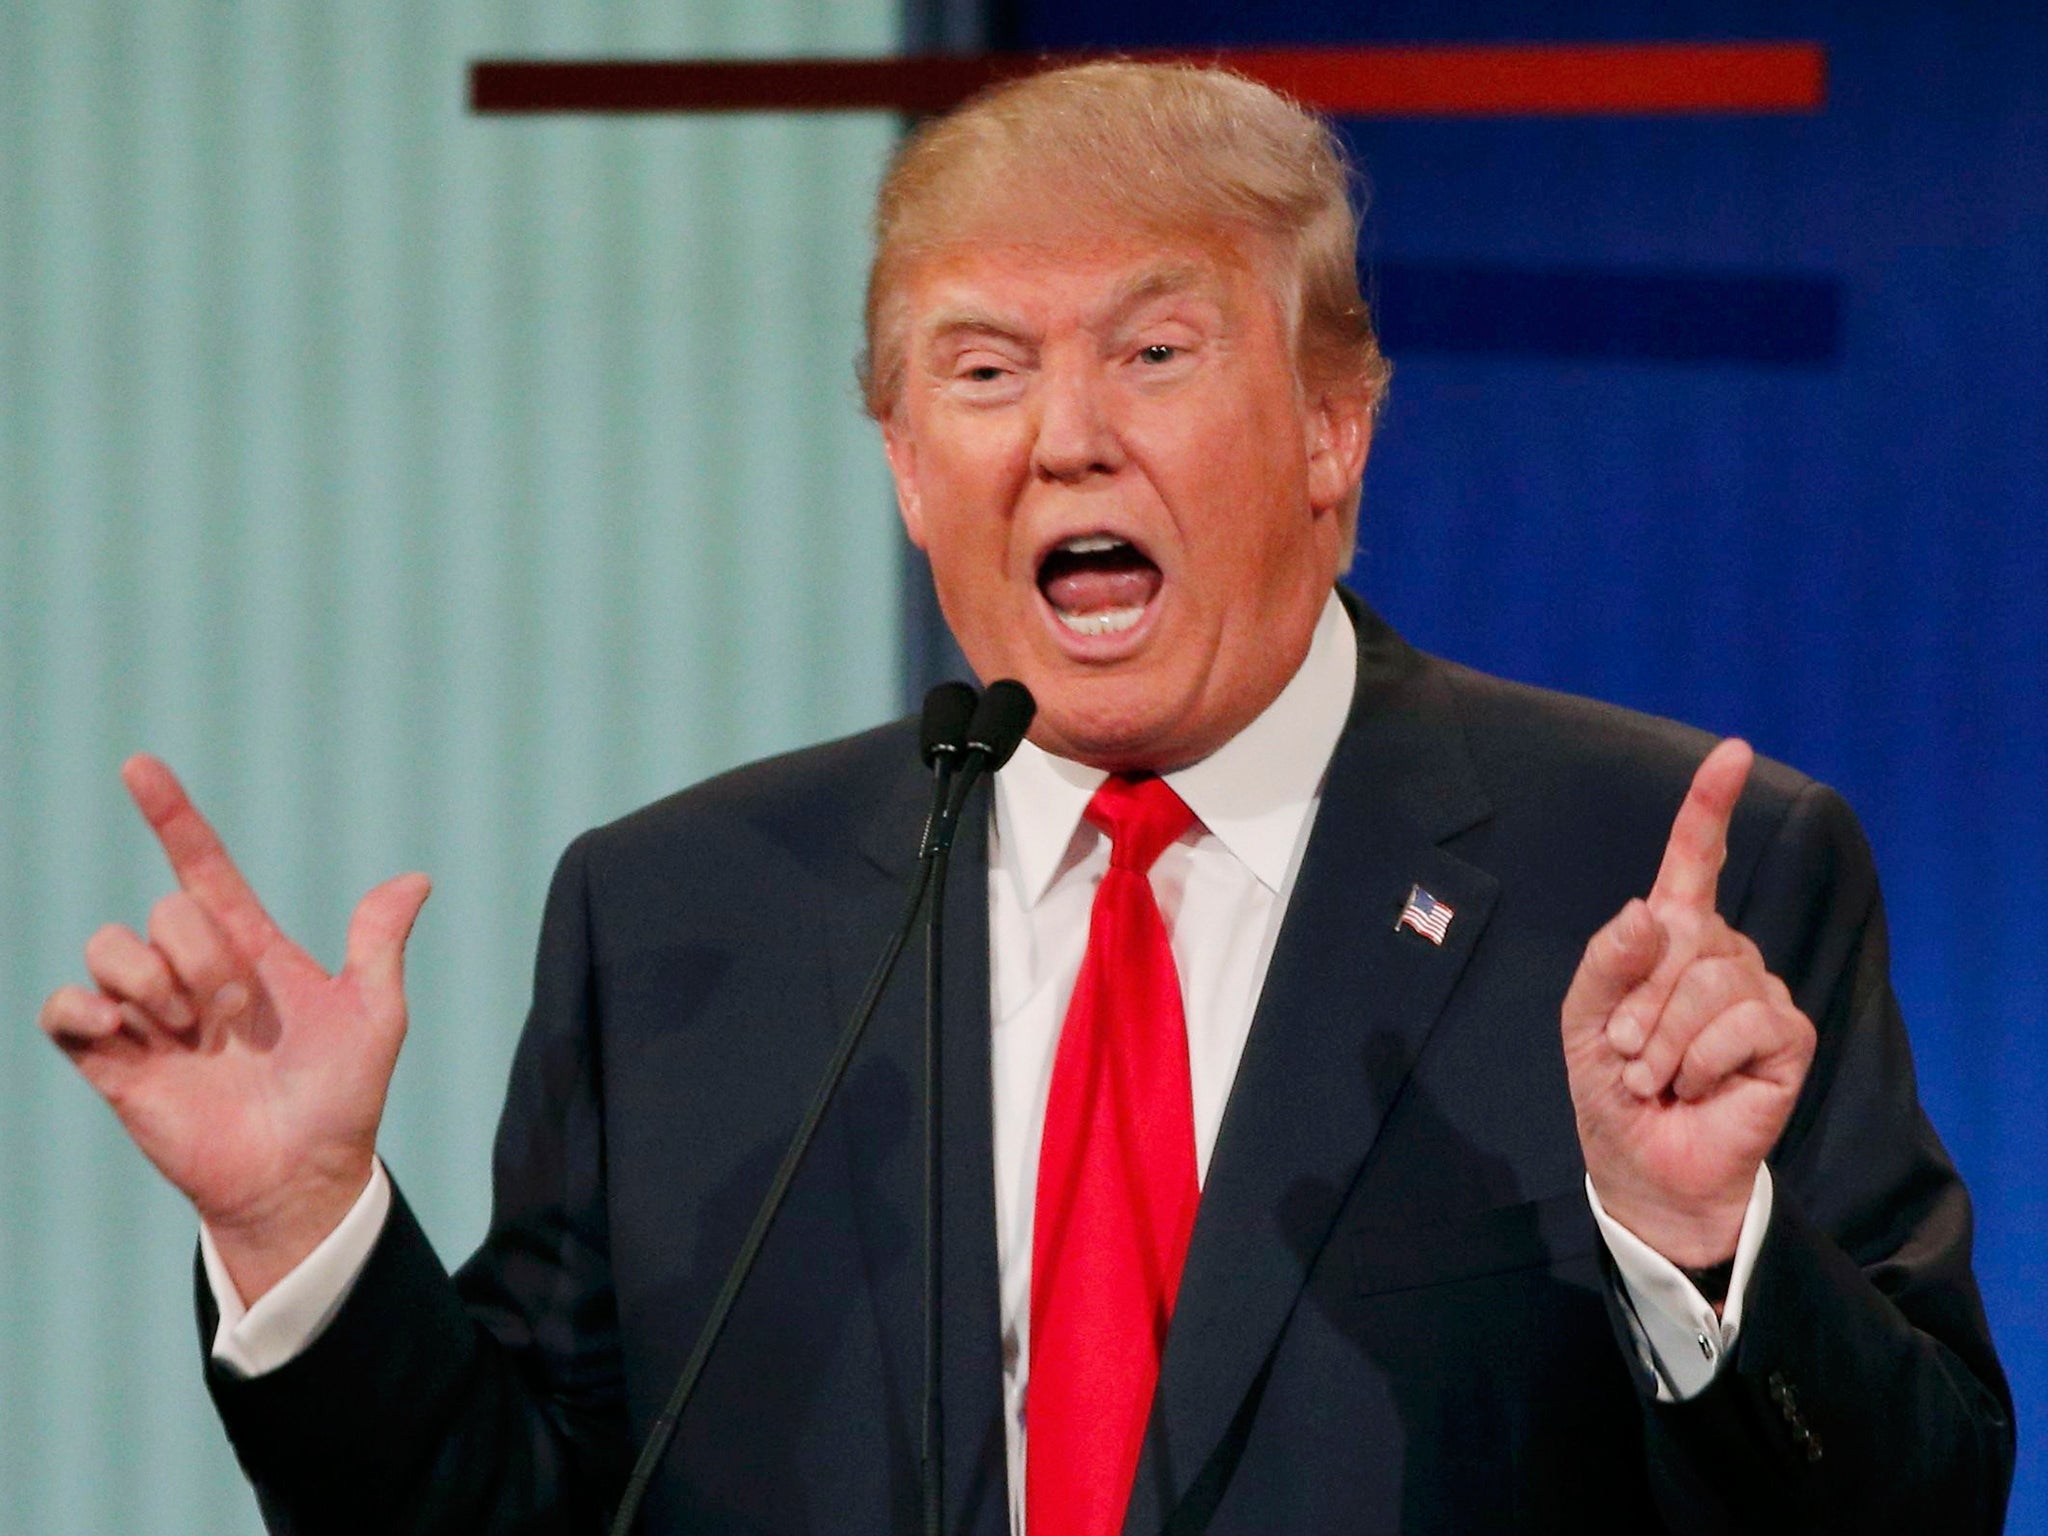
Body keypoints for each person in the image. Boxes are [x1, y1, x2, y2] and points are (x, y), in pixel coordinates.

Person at [39, 62, 2012, 1535]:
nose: (1064, 436)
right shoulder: (677, 921)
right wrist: (306, 1228)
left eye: (1152, 351)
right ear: (906, 466)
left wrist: (1696, 1250)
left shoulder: (1668, 876)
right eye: (980, 374)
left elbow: (1910, 1503)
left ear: (1336, 426)